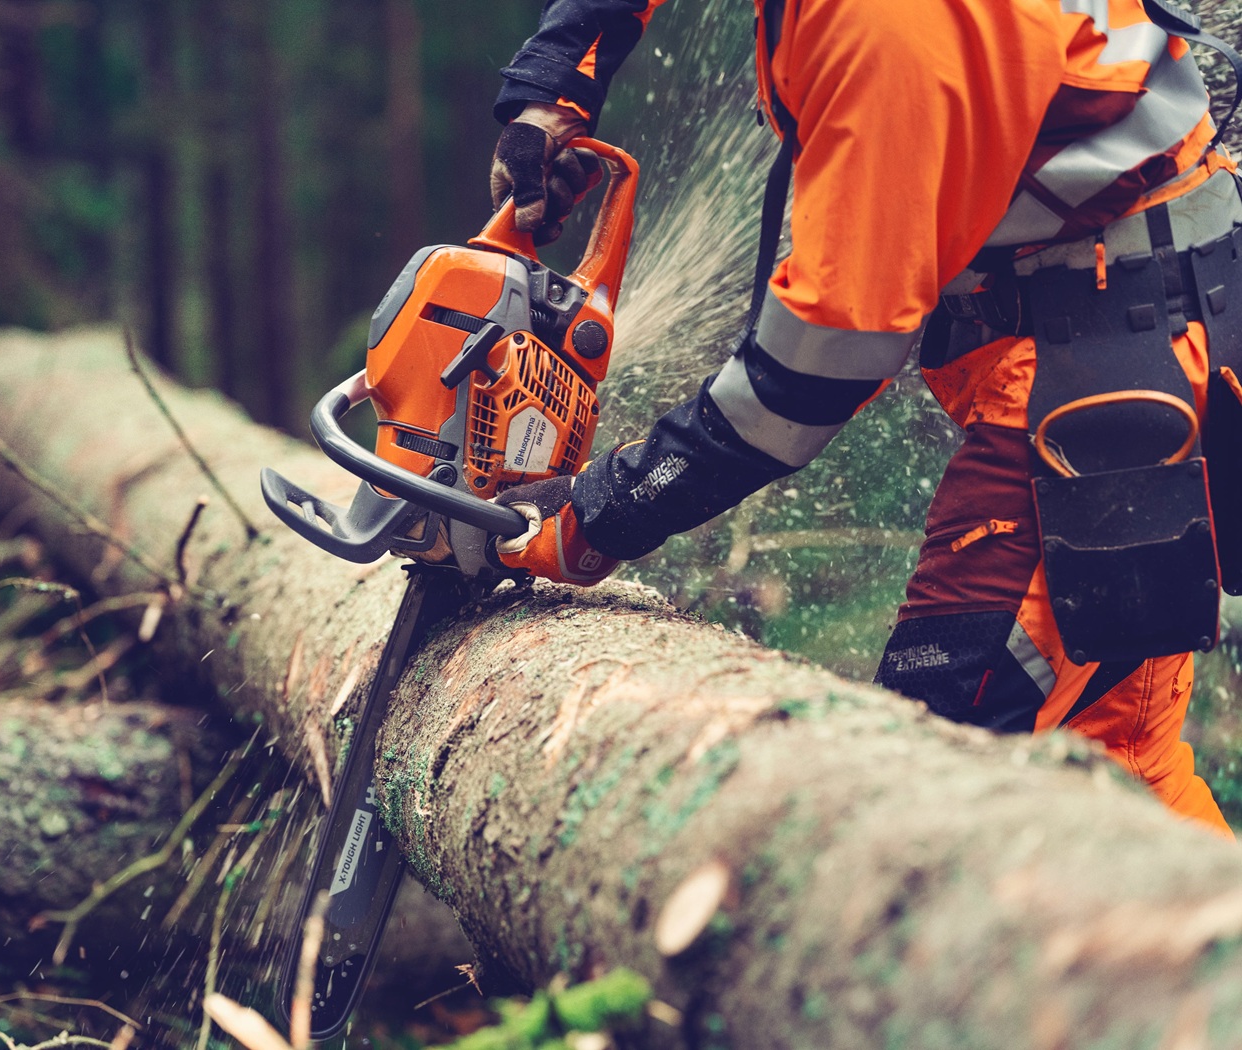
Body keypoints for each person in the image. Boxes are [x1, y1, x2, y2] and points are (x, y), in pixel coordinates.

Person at [486, 0, 1242, 838]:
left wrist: (606, 510)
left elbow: (820, 365)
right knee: (1112, 773)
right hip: (1132, 316)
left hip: (1108, 374)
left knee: (949, 790)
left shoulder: (887, 25)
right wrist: (558, 76)